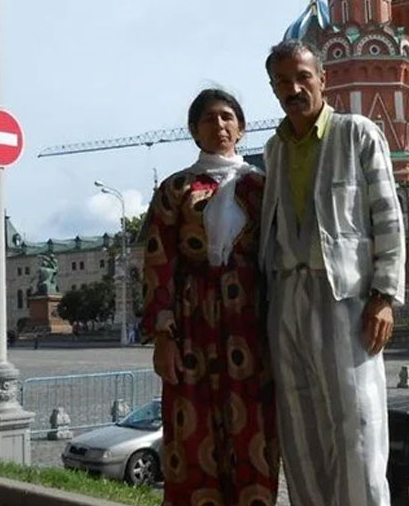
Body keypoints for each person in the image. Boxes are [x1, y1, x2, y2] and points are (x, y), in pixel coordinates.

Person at [259, 40, 405, 506]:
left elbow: (387, 214)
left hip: (344, 295)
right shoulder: (274, 148)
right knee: (299, 428)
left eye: (303, 76)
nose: (294, 88)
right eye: (283, 82)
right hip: (287, 295)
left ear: (323, 78)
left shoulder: (355, 133)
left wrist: (383, 295)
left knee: (356, 424)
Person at [140, 88, 279, 506]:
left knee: (255, 432)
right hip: (191, 324)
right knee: (191, 434)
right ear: (193, 132)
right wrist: (164, 336)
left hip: (250, 325)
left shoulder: (262, 186)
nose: (218, 126)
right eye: (208, 119)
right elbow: (157, 262)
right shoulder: (176, 189)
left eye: (226, 117)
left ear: (241, 127)